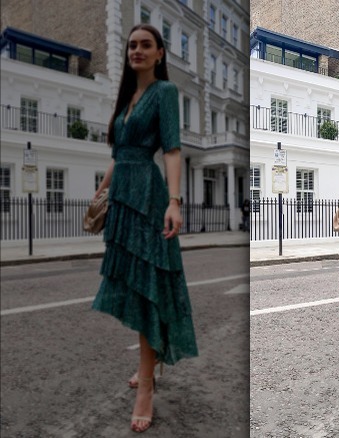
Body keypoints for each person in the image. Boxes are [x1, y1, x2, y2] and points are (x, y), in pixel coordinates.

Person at [92, 24, 198, 433]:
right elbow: (119, 155)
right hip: (121, 200)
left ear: (159, 54)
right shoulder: (127, 100)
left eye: (145, 45)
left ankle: (146, 387)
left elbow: (172, 149)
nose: (136, 50)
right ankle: (149, 363)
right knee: (135, 287)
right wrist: (100, 194)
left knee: (148, 288)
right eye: (132, 44)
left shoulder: (164, 93)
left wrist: (174, 202)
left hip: (149, 198)